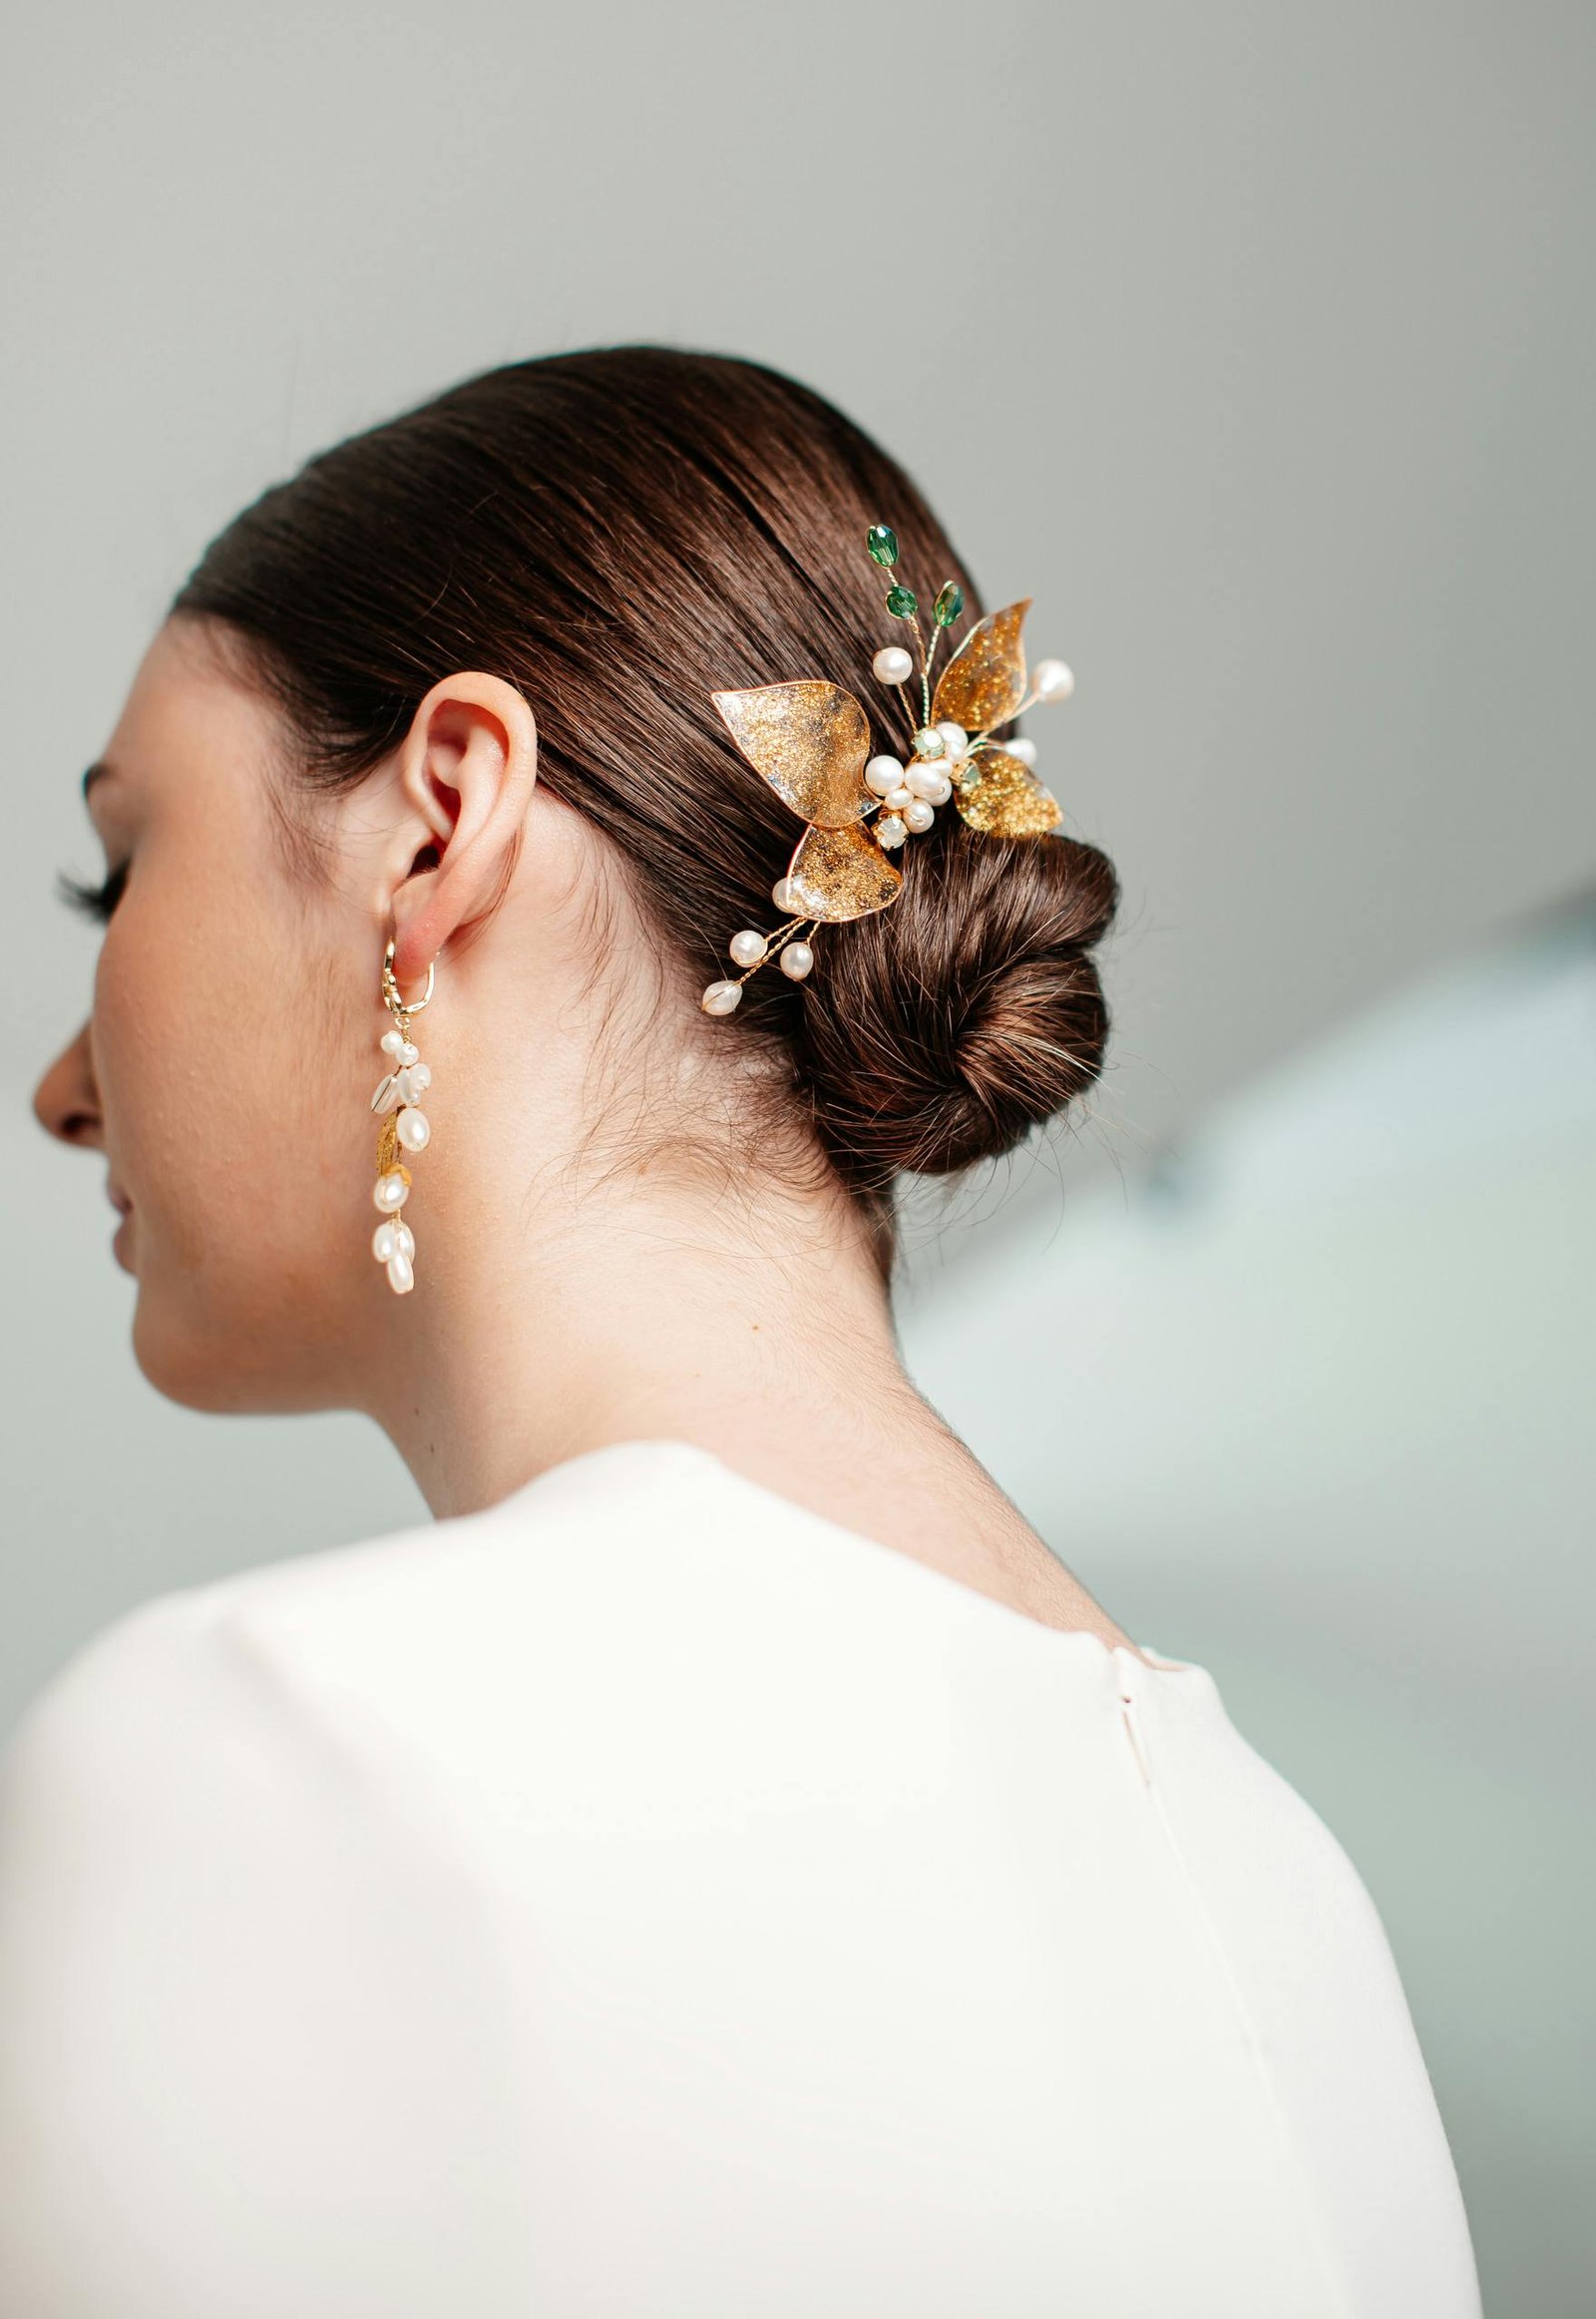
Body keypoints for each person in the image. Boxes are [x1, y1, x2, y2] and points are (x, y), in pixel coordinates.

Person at [6, 346, 1480, 2316]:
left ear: (440, 821)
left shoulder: (278, 1750)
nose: (63, 1086)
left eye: (125, 865)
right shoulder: (1280, 1886)